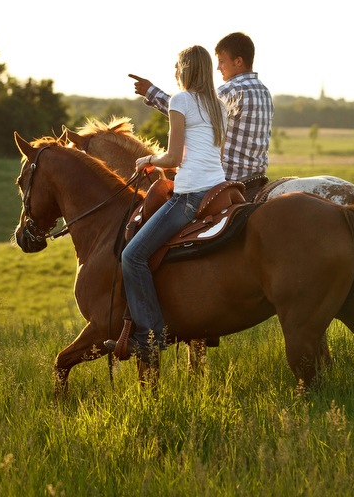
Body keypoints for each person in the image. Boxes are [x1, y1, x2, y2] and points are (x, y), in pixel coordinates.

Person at [105, 45, 227, 362]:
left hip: (191, 196)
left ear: (185, 69)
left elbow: (172, 157)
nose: (175, 72)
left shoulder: (181, 99)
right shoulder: (218, 104)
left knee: (132, 256)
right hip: (219, 188)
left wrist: (147, 159)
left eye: (177, 66)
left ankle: (150, 335)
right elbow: (204, 153)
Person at [129, 31, 273, 184]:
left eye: (222, 61)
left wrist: (151, 92)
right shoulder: (264, 91)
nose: (218, 68)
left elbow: (187, 109)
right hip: (257, 175)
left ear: (238, 61)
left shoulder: (231, 91)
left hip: (229, 175)